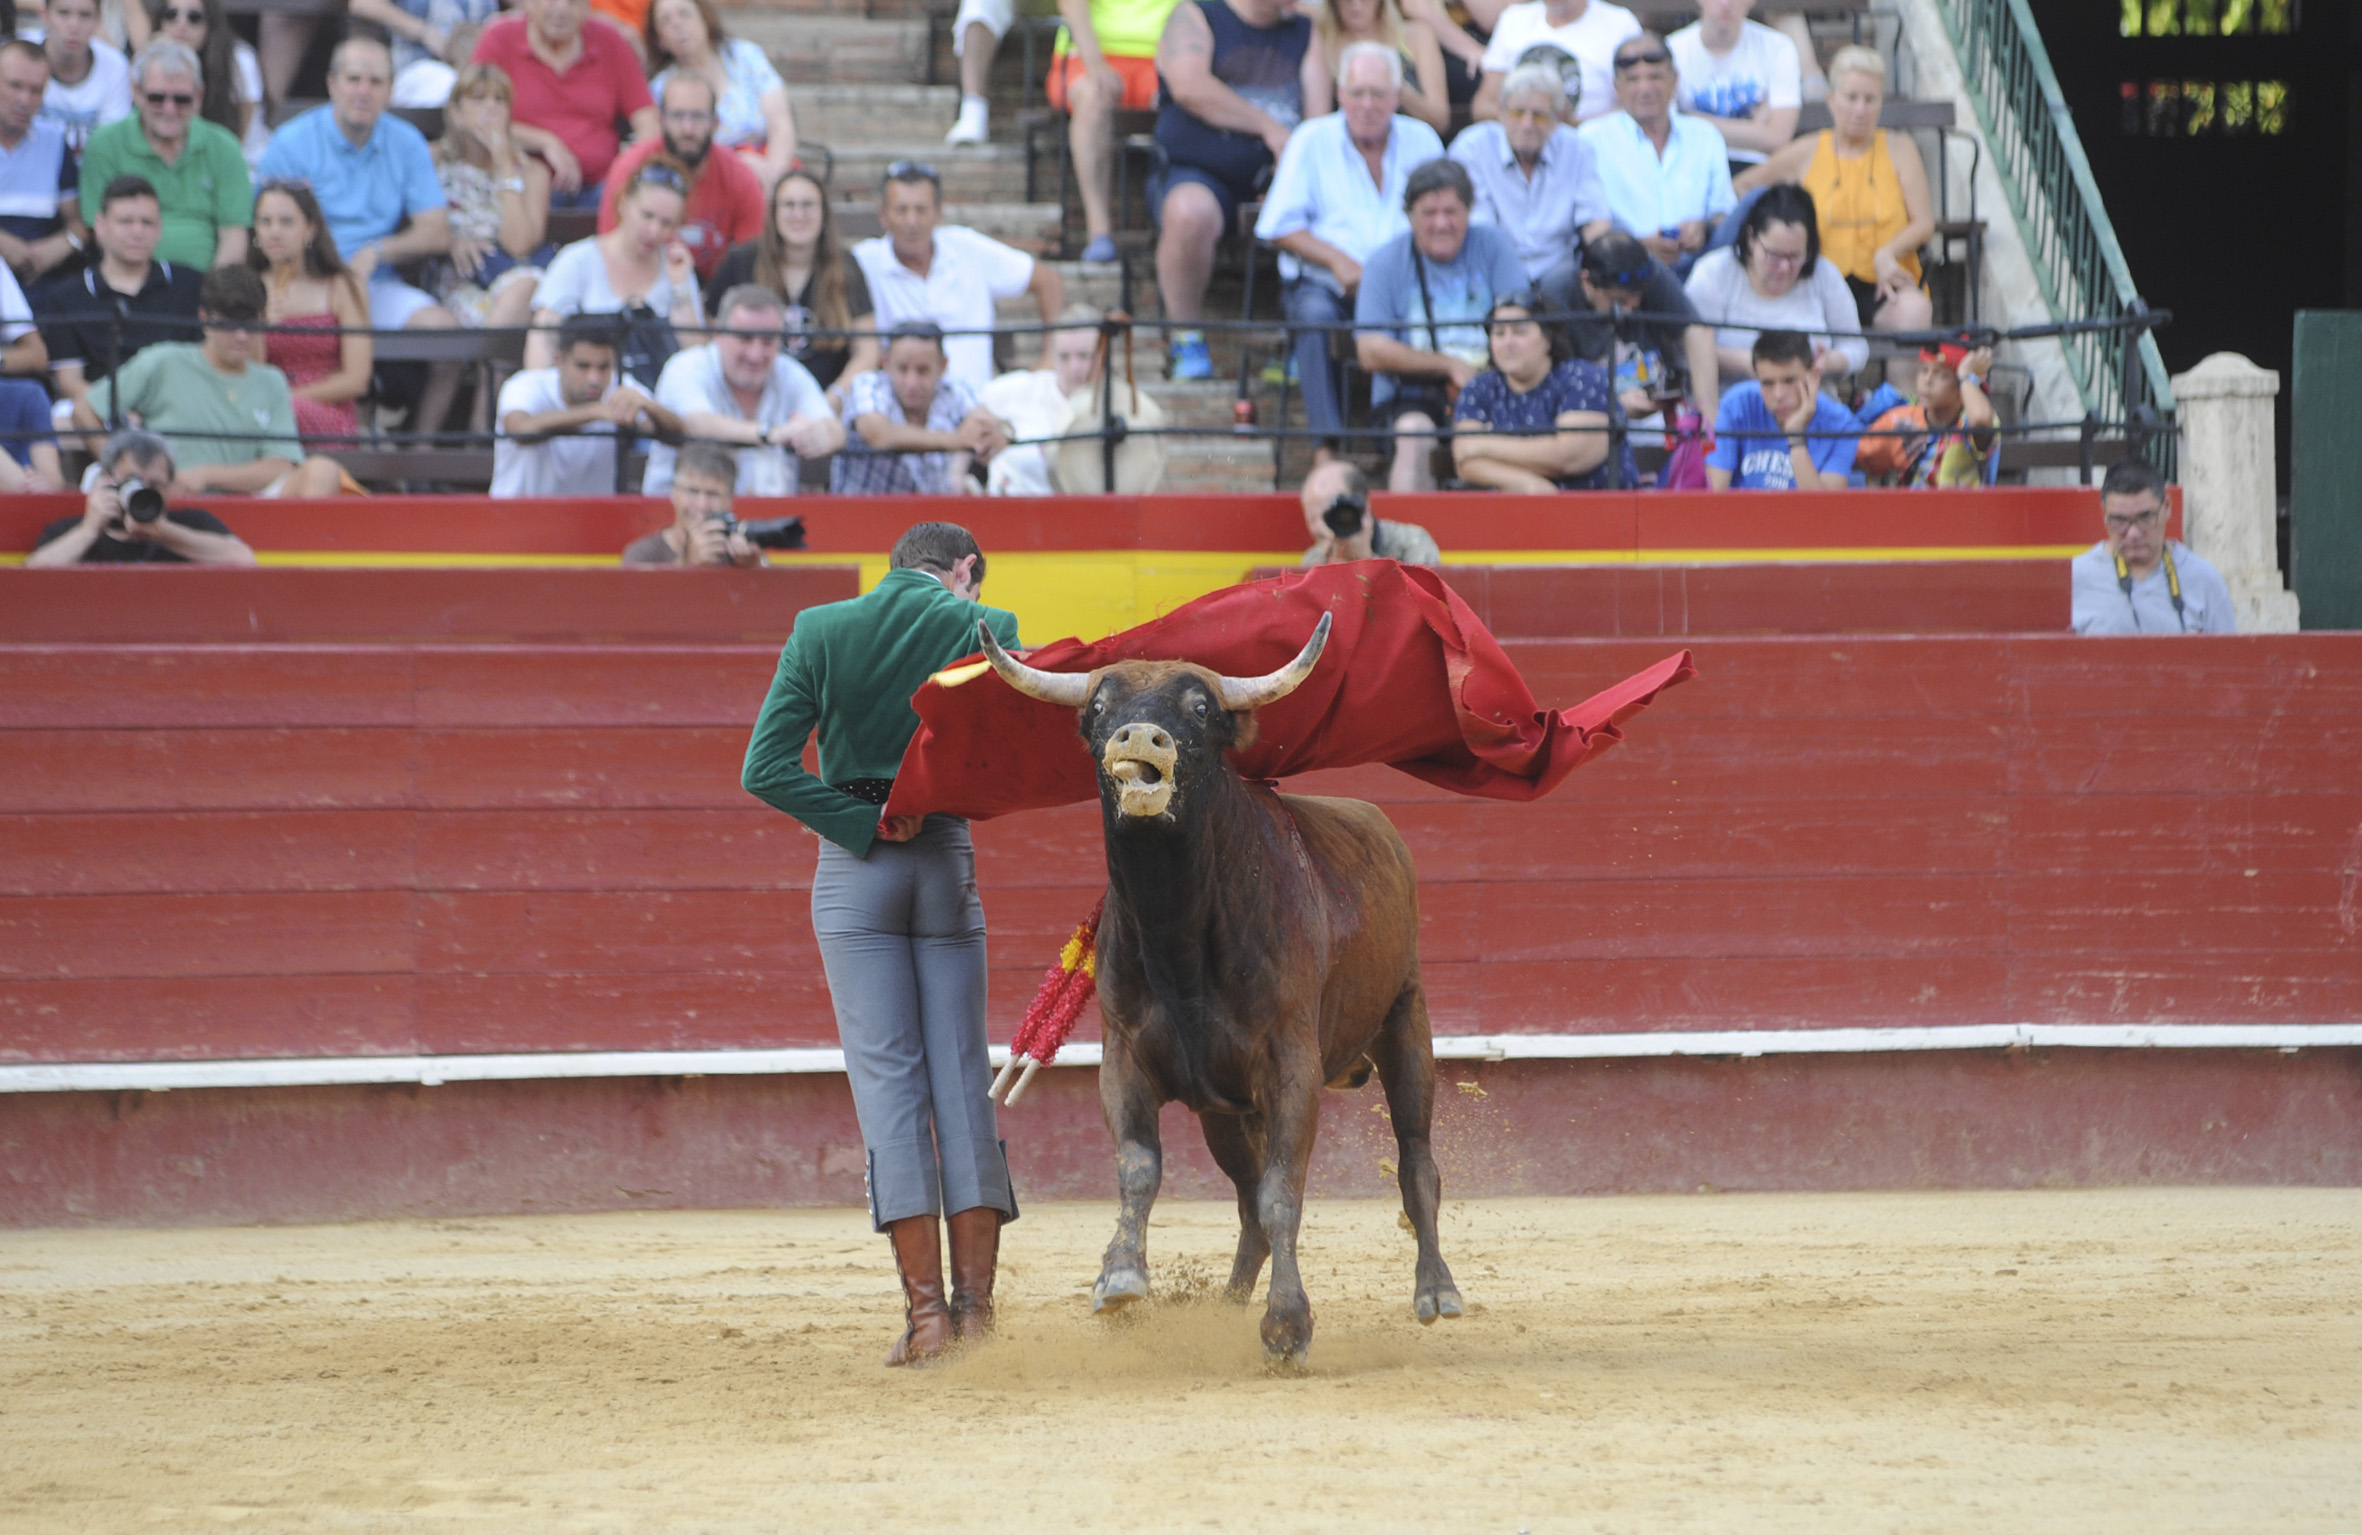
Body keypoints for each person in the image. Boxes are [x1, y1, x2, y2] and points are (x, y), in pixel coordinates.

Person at [741, 520, 1023, 1367]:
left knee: (890, 1090)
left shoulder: (820, 629)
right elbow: (1015, 758)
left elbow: (766, 768)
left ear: (897, 567)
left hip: (855, 867)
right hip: (944, 860)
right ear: (963, 571)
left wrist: (864, 818)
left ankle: (928, 1319)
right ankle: (976, 1314)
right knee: (961, 1083)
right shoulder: (989, 627)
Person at [256, 36, 466, 431]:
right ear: (332, 83)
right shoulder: (292, 142)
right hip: (305, 279)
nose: (363, 91)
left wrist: (378, 250)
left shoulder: (406, 142)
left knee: (447, 338)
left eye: (376, 81)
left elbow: (436, 230)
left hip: (373, 281)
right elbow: (265, 223)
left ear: (390, 90)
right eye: (354, 79)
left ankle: (418, 453)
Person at [1256, 43, 1444, 457]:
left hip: (1402, 286)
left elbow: (1446, 218)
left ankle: (1403, 441)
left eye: (1378, 94)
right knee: (1314, 317)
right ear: (1340, 93)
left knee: (1429, 314)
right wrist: (1337, 260)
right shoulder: (1312, 139)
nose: (1367, 104)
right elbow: (1277, 226)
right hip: (1329, 285)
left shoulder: (1422, 140)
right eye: (1357, 92)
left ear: (1397, 96)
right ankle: (1327, 450)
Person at [70, 262, 346, 497]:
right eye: (229, 323)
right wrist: (125, 470)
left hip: (250, 506)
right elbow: (85, 411)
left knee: (324, 470)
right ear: (205, 318)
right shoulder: (163, 360)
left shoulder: (271, 381)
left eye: (250, 324)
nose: (241, 335)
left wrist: (206, 474)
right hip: (169, 501)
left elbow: (282, 466)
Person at [1148, 0, 1309, 380]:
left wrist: (1293, 179)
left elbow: (1317, 122)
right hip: (1201, 170)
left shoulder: (1305, 29)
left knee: (1325, 210)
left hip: (1280, 177)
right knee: (1190, 213)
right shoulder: (1198, 13)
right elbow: (1189, 87)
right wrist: (1267, 127)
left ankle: (1304, 343)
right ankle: (1185, 339)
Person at [1351, 155, 1523, 492]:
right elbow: (1370, 350)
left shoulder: (1494, 245)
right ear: (1410, 217)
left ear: (1469, 211)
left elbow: (1523, 321)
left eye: (1451, 212)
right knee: (1414, 433)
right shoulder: (1384, 263)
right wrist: (1448, 365)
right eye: (1429, 213)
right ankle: (1410, 541)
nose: (1441, 223)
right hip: (1412, 395)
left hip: (1494, 388)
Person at [1736, 45, 1934, 336]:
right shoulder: (1807, 150)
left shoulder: (1900, 148)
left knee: (1914, 310)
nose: (1860, 109)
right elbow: (1743, 186)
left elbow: (1924, 222)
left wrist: (1888, 252)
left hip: (1883, 281)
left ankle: (1901, 385)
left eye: (1870, 99)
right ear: (1831, 100)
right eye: (1851, 97)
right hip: (1817, 283)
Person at [851, 161, 1062, 396]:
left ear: (938, 213)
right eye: (901, 210)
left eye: (921, 210)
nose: (912, 221)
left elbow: (1048, 280)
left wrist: (1050, 357)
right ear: (883, 215)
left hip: (976, 405)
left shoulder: (968, 248)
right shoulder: (863, 261)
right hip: (900, 412)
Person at [703, 169, 881, 418]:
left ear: (823, 213)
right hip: (750, 406)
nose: (799, 214)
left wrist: (833, 400)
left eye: (808, 205)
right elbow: (712, 337)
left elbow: (867, 351)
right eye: (789, 205)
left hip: (828, 408)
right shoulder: (741, 261)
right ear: (774, 212)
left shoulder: (846, 266)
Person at [32, 173, 201, 421]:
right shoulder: (67, 296)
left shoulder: (190, 284)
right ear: (101, 226)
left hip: (179, 410)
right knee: (61, 420)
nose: (137, 231)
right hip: (98, 410)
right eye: (125, 221)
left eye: (147, 222)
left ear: (160, 229)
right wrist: (119, 411)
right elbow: (69, 382)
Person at [645, 282, 841, 496]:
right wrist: (769, 433)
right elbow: (695, 424)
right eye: (745, 339)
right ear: (718, 332)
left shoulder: (789, 371)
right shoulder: (686, 366)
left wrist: (821, 435)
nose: (755, 354)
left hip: (772, 521)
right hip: (682, 519)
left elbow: (834, 429)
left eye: (767, 341)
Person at [77, 39, 247, 270]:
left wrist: (213, 298)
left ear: (199, 96)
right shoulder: (104, 144)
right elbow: (100, 232)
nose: (169, 109)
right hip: (130, 285)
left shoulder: (224, 146)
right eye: (157, 98)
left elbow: (234, 236)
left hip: (205, 289)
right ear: (137, 92)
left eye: (182, 99)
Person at [470, 0, 657, 210]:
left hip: (600, 187)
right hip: (521, 184)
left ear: (588, 7)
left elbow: (648, 122)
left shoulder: (610, 42)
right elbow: (473, 117)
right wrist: (544, 142)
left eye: (573, 2)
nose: (561, 9)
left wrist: (627, 171)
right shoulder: (499, 39)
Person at [527, 154, 702, 372]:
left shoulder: (677, 268)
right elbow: (540, 347)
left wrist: (681, 286)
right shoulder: (576, 260)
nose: (654, 231)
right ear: (623, 204)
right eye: (647, 216)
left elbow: (696, 359)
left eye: (667, 223)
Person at [1577, 31, 1732, 276]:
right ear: (1616, 87)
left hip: (1700, 266)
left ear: (1675, 80)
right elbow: (1589, 227)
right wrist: (1637, 247)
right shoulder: (1591, 139)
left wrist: (1702, 228)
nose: (1645, 88)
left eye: (1655, 77)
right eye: (1633, 79)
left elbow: (1724, 214)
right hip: (1624, 270)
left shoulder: (1705, 135)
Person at [1684, 181, 1862, 389]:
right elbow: (1685, 346)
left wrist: (1827, 363)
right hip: (1731, 410)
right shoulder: (1714, 272)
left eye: (1795, 256)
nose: (1785, 267)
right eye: (1774, 256)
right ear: (1751, 239)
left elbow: (1856, 346)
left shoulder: (1825, 274)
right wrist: (1748, 362)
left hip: (1813, 409)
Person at [1448, 61, 1610, 285]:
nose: (1527, 125)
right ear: (1501, 112)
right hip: (1492, 271)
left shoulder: (1577, 149)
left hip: (1561, 275)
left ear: (1556, 119)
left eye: (1539, 116)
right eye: (1517, 113)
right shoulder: (1473, 147)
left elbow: (1595, 222)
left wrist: (1604, 264)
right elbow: (1480, 231)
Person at [1451, 289, 1628, 490]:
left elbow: (1570, 456)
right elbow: (1465, 461)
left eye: (1520, 331)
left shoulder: (1583, 378)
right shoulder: (1478, 388)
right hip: (1512, 510)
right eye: (1499, 333)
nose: (1508, 343)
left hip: (1596, 510)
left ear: (1548, 338)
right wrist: (1527, 484)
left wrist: (1483, 444)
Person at [1540, 229, 1719, 428]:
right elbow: (1550, 382)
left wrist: (1709, 420)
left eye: (1638, 297)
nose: (1631, 307)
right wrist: (1614, 404)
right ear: (1587, 281)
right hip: (1589, 414)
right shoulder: (1556, 296)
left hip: (1656, 403)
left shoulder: (1650, 272)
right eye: (1619, 301)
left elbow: (1696, 332)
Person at [493, 310, 680, 497]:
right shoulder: (525, 385)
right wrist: (594, 412)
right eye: (583, 366)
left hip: (592, 521)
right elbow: (519, 429)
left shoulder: (622, 387)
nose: (594, 378)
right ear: (559, 360)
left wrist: (649, 406)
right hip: (518, 518)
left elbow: (678, 437)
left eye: (604, 367)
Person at [597, 72, 761, 284]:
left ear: (716, 123)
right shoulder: (630, 169)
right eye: (677, 116)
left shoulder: (739, 177)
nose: (687, 128)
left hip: (715, 298)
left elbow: (752, 261)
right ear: (661, 120)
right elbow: (611, 252)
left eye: (698, 116)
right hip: (640, 289)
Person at [424, 60, 550, 334]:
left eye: (499, 100)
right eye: (478, 99)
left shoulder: (533, 173)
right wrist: (450, 241)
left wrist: (505, 166)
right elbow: (410, 221)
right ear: (456, 112)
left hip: (512, 274)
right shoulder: (432, 160)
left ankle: (489, 372)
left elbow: (518, 245)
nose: (491, 107)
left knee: (521, 291)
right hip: (459, 275)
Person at [248, 180, 370, 446]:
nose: (274, 232)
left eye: (287, 222)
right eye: (266, 222)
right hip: (261, 409)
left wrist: (290, 399)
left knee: (287, 414)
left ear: (311, 229)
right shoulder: (245, 286)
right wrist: (260, 327)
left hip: (325, 410)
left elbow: (357, 379)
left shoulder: (341, 285)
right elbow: (246, 372)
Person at [25, 425, 255, 564]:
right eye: (132, 482)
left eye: (155, 485)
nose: (144, 492)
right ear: (107, 479)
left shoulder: (195, 522)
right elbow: (32, 578)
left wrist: (165, 532)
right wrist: (89, 530)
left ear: (170, 487)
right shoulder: (69, 529)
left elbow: (243, 560)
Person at [832, 320, 1007, 496]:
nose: (912, 382)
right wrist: (956, 440)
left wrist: (993, 434)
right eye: (902, 369)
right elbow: (877, 433)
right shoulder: (868, 384)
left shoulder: (955, 389)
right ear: (885, 363)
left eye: (922, 370)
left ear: (942, 366)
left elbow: (986, 422)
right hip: (862, 515)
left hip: (932, 517)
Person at [2070, 456, 2236, 635]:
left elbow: (2229, 658)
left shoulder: (2204, 579)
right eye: (2119, 520)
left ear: (2167, 507)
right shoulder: (2074, 579)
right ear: (2104, 514)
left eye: (2145, 518)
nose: (2133, 533)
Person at [645, 0, 794, 191]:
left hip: (768, 168)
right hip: (705, 181)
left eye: (684, 14)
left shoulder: (746, 56)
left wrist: (774, 175)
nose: (677, 24)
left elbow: (781, 124)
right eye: (665, 21)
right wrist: (738, 167)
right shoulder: (660, 88)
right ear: (659, 40)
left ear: (704, 18)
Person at [1705, 326, 1855, 490]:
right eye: (1767, 383)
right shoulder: (1737, 406)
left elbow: (1823, 511)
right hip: (1743, 515)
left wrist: (1795, 436)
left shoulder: (1842, 424)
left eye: (1789, 381)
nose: (1778, 395)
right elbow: (1714, 495)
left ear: (1813, 376)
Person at [976, 305, 1100, 496]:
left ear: (1102, 355)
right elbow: (968, 405)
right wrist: (999, 429)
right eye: (1064, 356)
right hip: (1010, 512)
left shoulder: (1120, 404)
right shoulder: (1024, 388)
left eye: (1084, 356)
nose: (1074, 367)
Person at [1667, 0, 1800, 175]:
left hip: (1757, 171)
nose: (1725, 3)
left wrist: (1693, 120)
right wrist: (1755, 129)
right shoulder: (1672, 50)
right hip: (1691, 168)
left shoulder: (1778, 47)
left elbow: (1778, 137)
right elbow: (1667, 131)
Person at [1855, 335, 1998, 488]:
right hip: (1913, 508)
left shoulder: (1972, 417)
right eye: (1924, 370)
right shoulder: (1902, 418)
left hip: (1961, 508)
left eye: (1942, 375)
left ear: (1961, 386)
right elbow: (1857, 453)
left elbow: (1981, 421)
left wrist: (1966, 375)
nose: (1928, 380)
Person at [0, 41, 88, 285]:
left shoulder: (55, 141)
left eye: (36, 90)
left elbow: (78, 223)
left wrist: (63, 244)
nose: (24, 100)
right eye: (15, 86)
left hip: (40, 282)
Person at [1470, 0, 1639, 126]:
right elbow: (1483, 104)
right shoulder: (1513, 19)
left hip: (1592, 146)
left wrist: (1576, 125)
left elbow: (1635, 106)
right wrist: (1530, 121)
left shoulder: (1620, 24)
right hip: (1520, 147)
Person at [146, 0, 265, 170]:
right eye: (171, 15)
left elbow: (241, 134)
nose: (181, 24)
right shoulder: (152, 61)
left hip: (242, 160)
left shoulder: (239, 59)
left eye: (194, 17)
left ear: (211, 22)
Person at [1303, 0, 1449, 136]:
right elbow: (1316, 126)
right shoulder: (1319, 40)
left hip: (1409, 142)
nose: (1356, 5)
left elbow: (1440, 120)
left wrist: (1394, 89)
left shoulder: (1416, 35)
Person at [621, 441, 766, 566]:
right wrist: (687, 563)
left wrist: (753, 569)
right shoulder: (642, 554)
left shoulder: (738, 553)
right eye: (692, 491)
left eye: (712, 494)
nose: (702, 505)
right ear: (673, 494)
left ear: (729, 501)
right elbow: (639, 597)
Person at [1297, 457, 1437, 567]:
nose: (1318, 528)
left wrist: (1366, 561)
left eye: (1327, 515)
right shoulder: (1315, 560)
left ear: (1364, 509)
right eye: (1311, 519)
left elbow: (1423, 600)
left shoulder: (1412, 542)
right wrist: (1330, 574)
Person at [38, 0, 131, 152]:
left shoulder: (115, 66)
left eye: (85, 15)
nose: (74, 25)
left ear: (98, 20)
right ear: (45, 15)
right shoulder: (17, 56)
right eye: (63, 13)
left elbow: (113, 143)